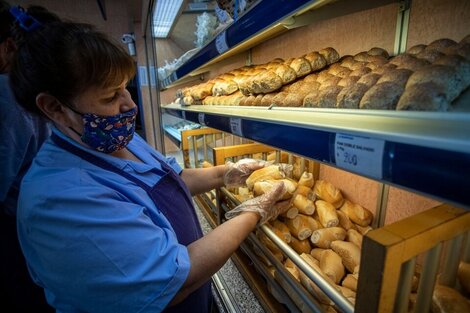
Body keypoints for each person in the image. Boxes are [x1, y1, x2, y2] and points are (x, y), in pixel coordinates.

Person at [10, 19, 290, 313]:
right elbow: (175, 280)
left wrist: (225, 173)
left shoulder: (113, 140)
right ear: (54, 107)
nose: (130, 105)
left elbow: (169, 178)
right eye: (110, 96)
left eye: (124, 88)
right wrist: (253, 212)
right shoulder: (58, 201)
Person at [0, 3, 60, 312]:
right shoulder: (45, 91)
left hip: (17, 226)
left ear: (9, 46)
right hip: (43, 222)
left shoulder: (6, 93)